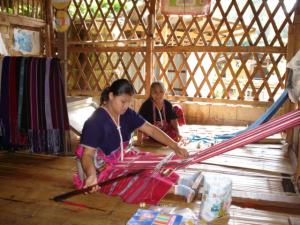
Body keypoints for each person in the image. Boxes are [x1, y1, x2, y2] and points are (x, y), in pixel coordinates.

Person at [73, 79, 199, 204]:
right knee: (135, 177)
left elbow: (152, 130)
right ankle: (176, 189)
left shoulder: (127, 114)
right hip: (103, 170)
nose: (126, 106)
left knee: (154, 161)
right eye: (123, 101)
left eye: (129, 102)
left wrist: (175, 146)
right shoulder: (95, 122)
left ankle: (182, 181)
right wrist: (91, 175)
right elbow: (87, 155)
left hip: (124, 158)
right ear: (111, 96)